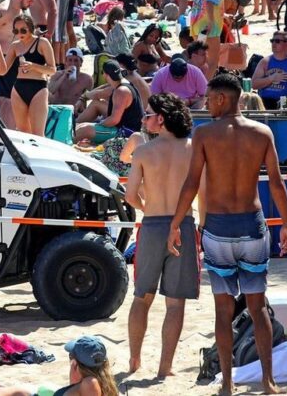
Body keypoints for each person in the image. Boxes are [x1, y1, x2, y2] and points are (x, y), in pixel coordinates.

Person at [168, 74, 287, 396]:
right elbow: (276, 182)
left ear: (222, 99)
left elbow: (192, 182)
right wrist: (286, 224)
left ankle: (227, 383)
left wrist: (176, 223)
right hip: (253, 227)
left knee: (223, 311)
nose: (206, 104)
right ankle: (268, 382)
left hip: (219, 230)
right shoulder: (261, 132)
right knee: (258, 307)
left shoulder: (205, 134)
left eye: (209, 99)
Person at [124, 93, 199, 377]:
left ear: (161, 118)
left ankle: (134, 359)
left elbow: (130, 195)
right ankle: (165, 367)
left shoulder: (144, 151)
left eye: (148, 115)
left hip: (153, 225)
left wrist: (148, 206)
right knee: (175, 303)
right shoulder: (193, 149)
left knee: (142, 296)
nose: (144, 120)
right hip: (184, 224)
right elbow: (202, 192)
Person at [3, 14, 55, 136]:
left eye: (23, 30)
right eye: (16, 31)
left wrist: (33, 66)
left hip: (38, 88)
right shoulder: (15, 45)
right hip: (18, 88)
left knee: (38, 134)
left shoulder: (42, 43)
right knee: (23, 133)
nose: (19, 34)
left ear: (31, 28)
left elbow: (52, 70)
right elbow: (3, 69)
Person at [74, 60, 143, 144]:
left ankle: (64, 142)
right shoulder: (122, 83)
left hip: (127, 133)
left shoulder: (121, 91)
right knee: (81, 125)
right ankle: (73, 127)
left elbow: (114, 120)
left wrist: (97, 125)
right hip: (126, 126)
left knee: (85, 129)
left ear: (105, 75)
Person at [253, 31, 287, 109]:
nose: (273, 44)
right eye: (272, 41)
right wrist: (272, 78)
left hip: (286, 103)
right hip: (265, 102)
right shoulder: (265, 62)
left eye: (277, 41)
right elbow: (254, 84)